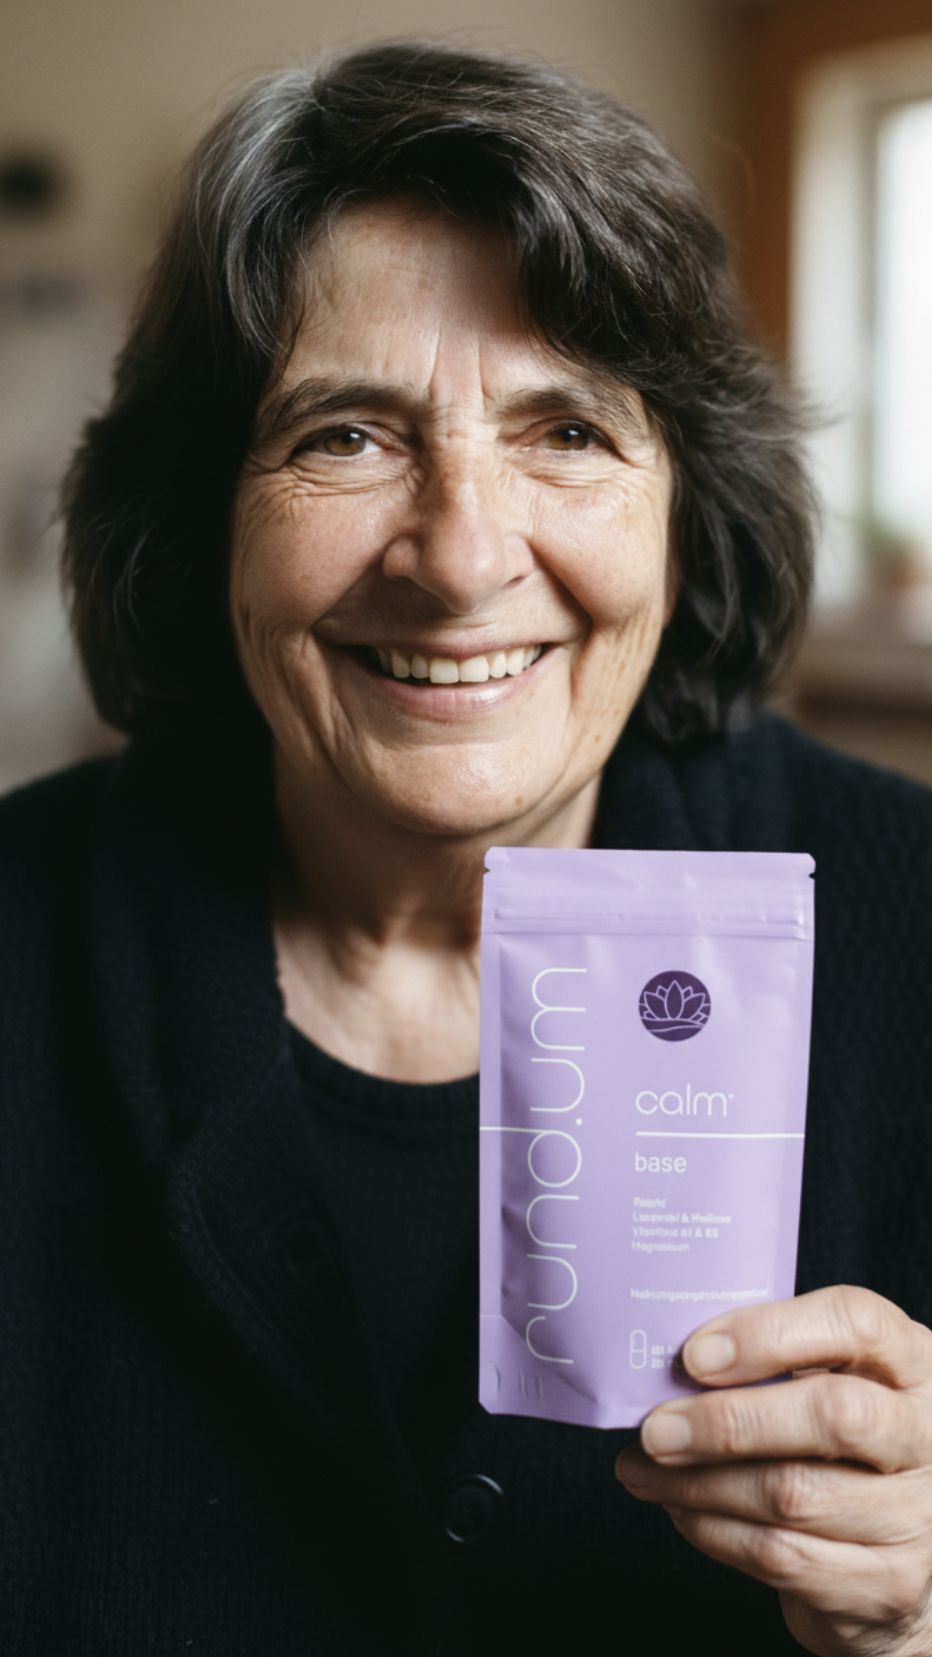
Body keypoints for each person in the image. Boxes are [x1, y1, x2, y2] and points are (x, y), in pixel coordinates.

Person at [2, 37, 931, 1657]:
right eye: (345, 435)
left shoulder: (912, 921)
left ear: (684, 506)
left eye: (564, 429)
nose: (460, 557)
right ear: (200, 506)